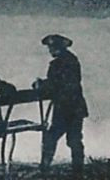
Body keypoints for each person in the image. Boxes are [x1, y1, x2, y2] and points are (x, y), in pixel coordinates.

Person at [33, 33, 88, 172]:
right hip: (75, 107)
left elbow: (56, 84)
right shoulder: (72, 60)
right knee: (74, 139)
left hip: (66, 107)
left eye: (52, 47)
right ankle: (78, 171)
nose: (50, 50)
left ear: (59, 48)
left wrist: (41, 85)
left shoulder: (59, 63)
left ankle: (44, 169)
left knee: (52, 137)